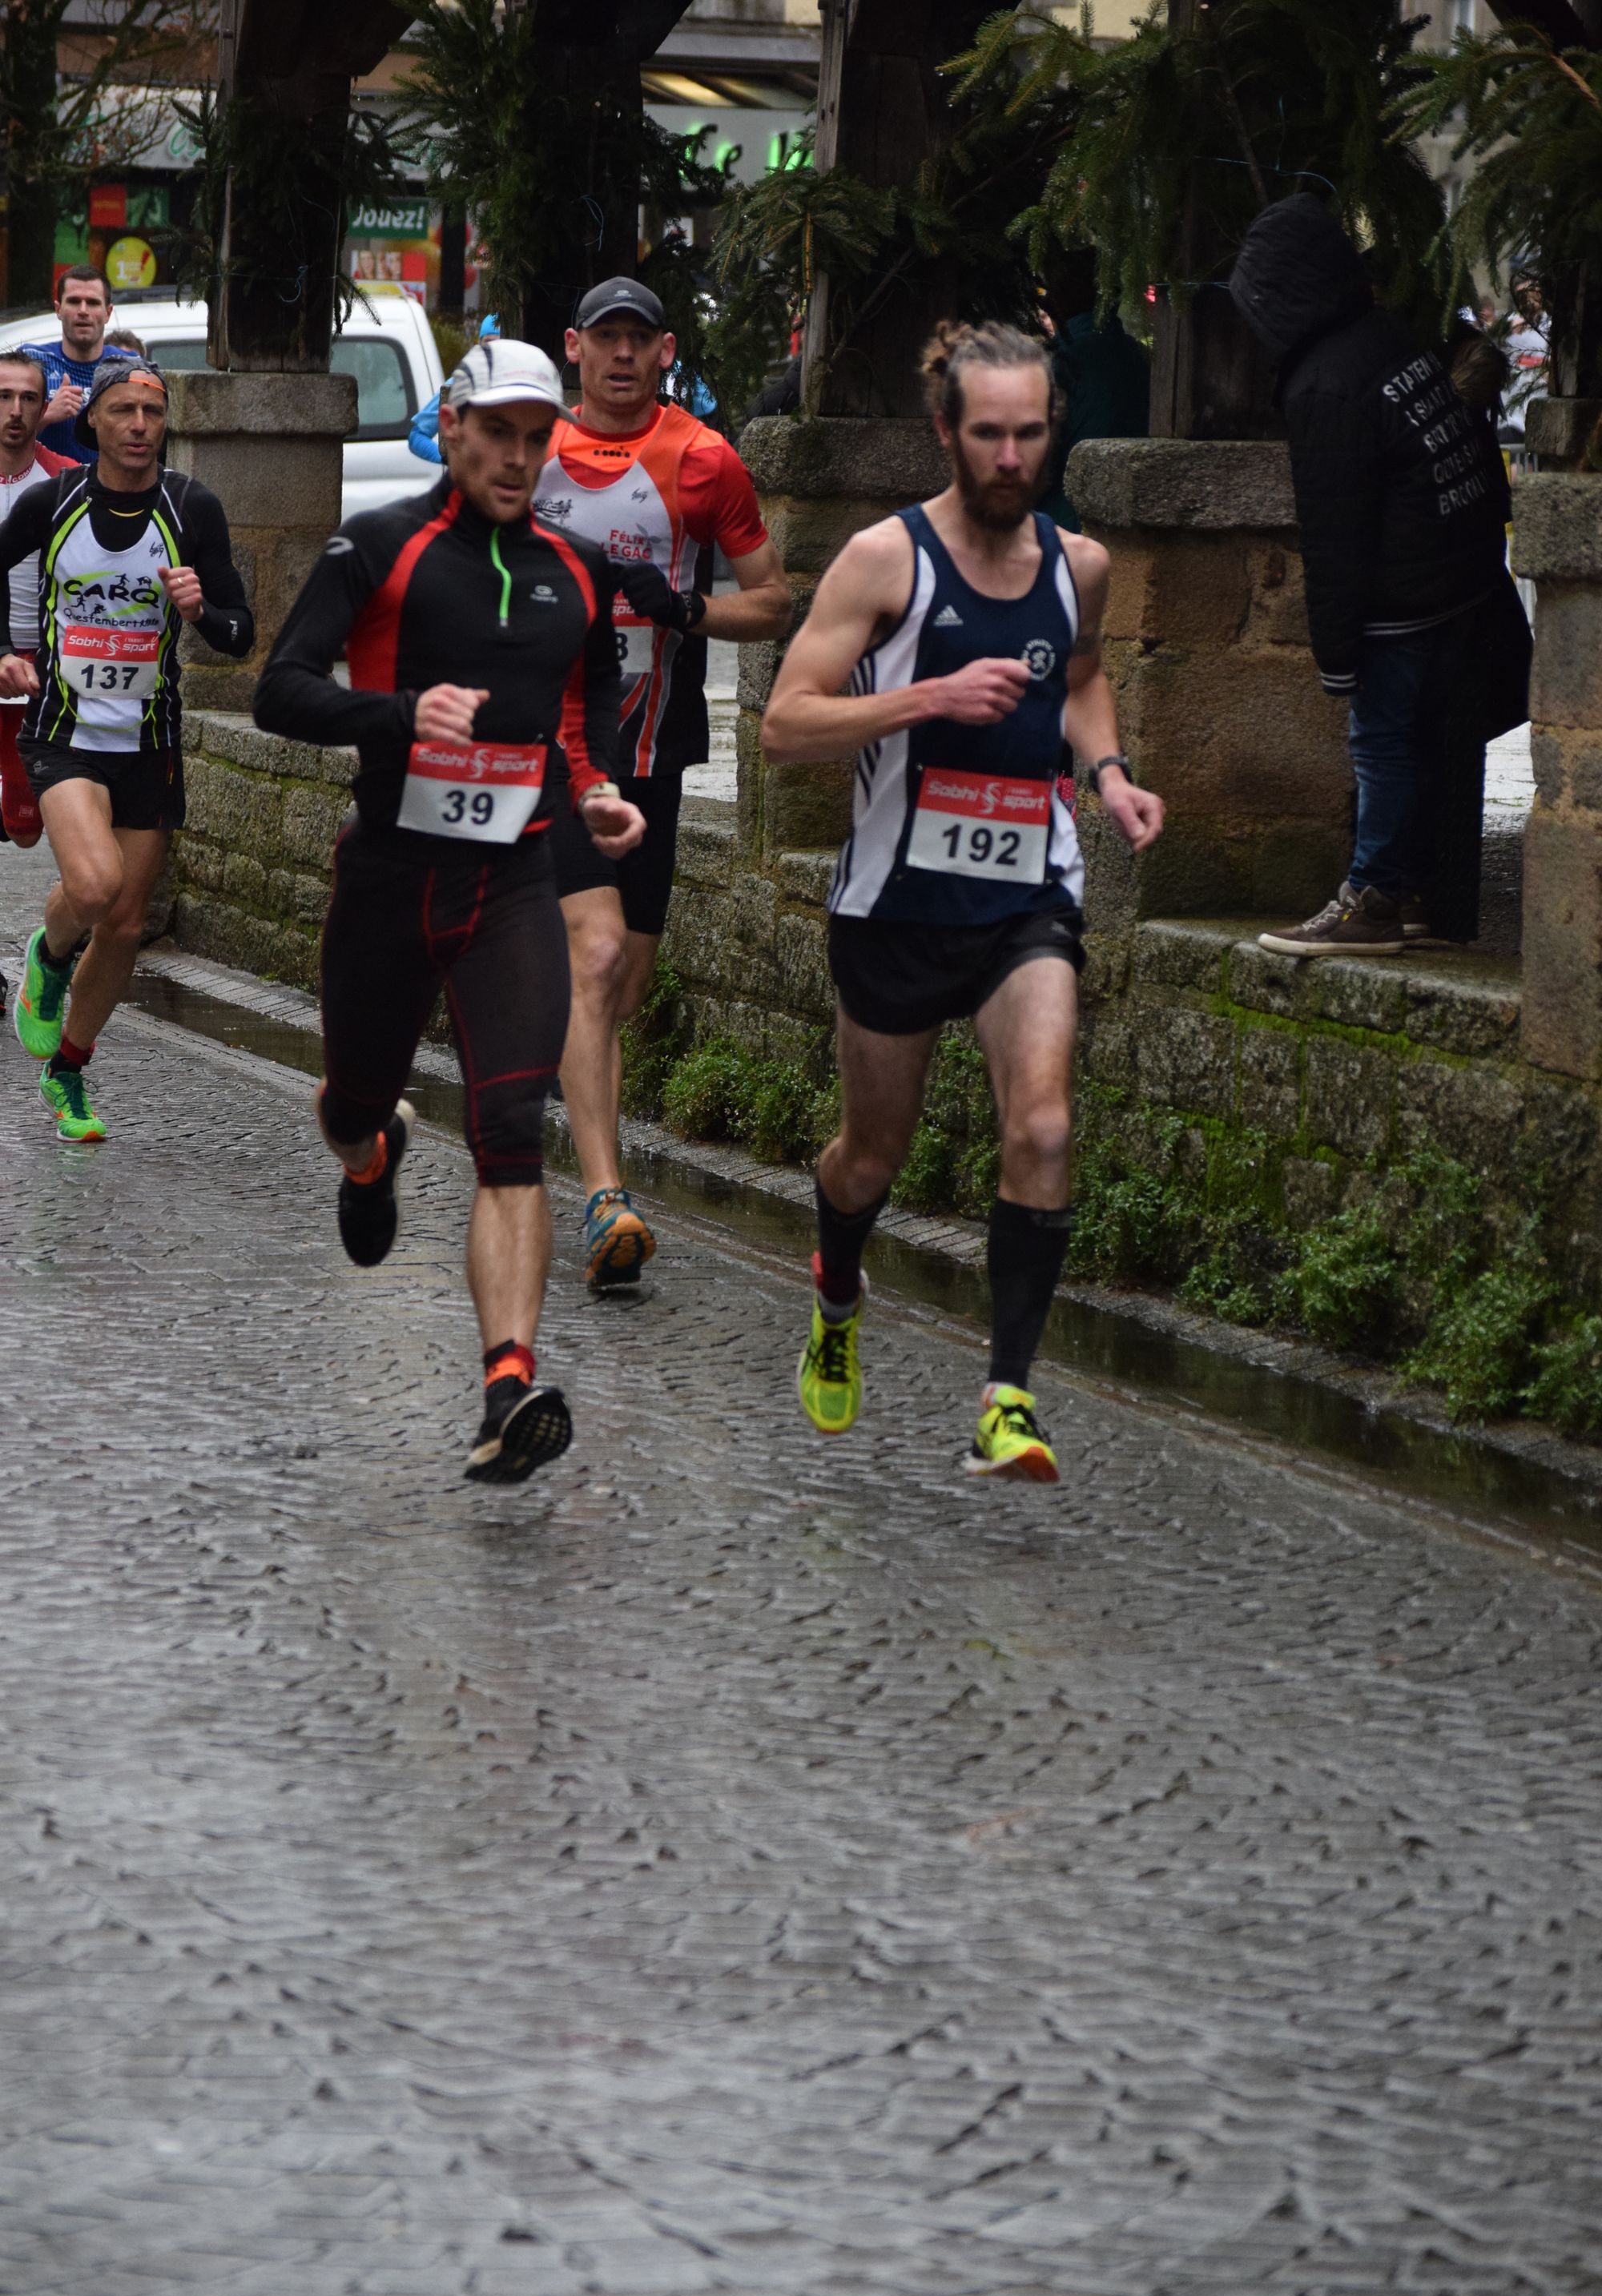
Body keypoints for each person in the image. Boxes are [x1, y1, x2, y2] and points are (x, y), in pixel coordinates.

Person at [761, 320, 1164, 1482]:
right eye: (988, 433)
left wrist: (1109, 773)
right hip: (894, 905)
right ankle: (837, 1286)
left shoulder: (1080, 566)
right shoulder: (882, 561)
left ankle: (1007, 1401)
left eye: (1030, 434)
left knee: (1042, 1126)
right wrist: (926, 698)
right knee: (868, 1160)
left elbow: (1080, 678)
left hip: (1026, 896)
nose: (1009, 457)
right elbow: (786, 723)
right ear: (945, 430)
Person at [254, 339, 645, 1486]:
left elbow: (590, 697)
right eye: (500, 435)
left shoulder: (578, 569)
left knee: (510, 1126)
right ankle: (369, 1153)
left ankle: (507, 1386)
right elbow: (280, 690)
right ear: (455, 429)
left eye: (538, 438)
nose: (519, 458)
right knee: (350, 1101)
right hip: (390, 879)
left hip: (512, 884)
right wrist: (398, 714)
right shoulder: (379, 546)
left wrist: (598, 788)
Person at [533, 275, 792, 1291]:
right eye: (605, 338)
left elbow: (771, 605)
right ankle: (606, 1196)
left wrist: (684, 609)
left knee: (624, 978)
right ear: (574, 348)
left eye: (638, 339)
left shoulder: (704, 459)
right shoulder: (532, 450)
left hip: (653, 752)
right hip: (552, 750)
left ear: (666, 350)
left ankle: (558, 1092)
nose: (622, 355)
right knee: (596, 959)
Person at [1228, 196, 1515, 955]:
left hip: (1404, 596)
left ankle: (1373, 897)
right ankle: (1409, 888)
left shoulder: (1324, 384)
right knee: (1417, 742)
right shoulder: (1385, 337)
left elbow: (1336, 532)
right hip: (1457, 579)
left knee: (1382, 743)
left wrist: (1335, 653)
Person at [0, 360, 253, 1141]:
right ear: (95, 422)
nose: (140, 425)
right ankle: (48, 954)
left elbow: (241, 634)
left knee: (124, 922)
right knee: (96, 883)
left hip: (149, 742)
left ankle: (68, 1069)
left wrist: (202, 610)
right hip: (64, 732)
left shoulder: (191, 507)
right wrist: (2, 653)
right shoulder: (54, 502)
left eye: (152, 411)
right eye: (123, 410)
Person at [0, 352, 72, 847]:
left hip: (35, 663)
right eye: (4, 396)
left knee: (24, 830)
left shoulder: (67, 479)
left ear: (44, 408)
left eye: (28, 399)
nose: (15, 410)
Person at [1038, 250, 1151, 535]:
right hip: (1130, 520)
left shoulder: (1062, 363)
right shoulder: (1141, 357)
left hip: (1061, 523)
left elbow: (1037, 461)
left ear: (1058, 299)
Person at [23, 267, 137, 471]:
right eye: (74, 301)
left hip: (109, 487)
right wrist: (46, 416)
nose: (83, 311)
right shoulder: (32, 361)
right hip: (45, 486)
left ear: (108, 312)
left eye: (93, 303)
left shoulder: (129, 366)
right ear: (58, 310)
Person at [409, 314, 500, 463]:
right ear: (479, 345)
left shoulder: (522, 388)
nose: (493, 351)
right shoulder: (458, 386)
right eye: (488, 343)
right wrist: (448, 460)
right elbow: (417, 436)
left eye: (500, 345)